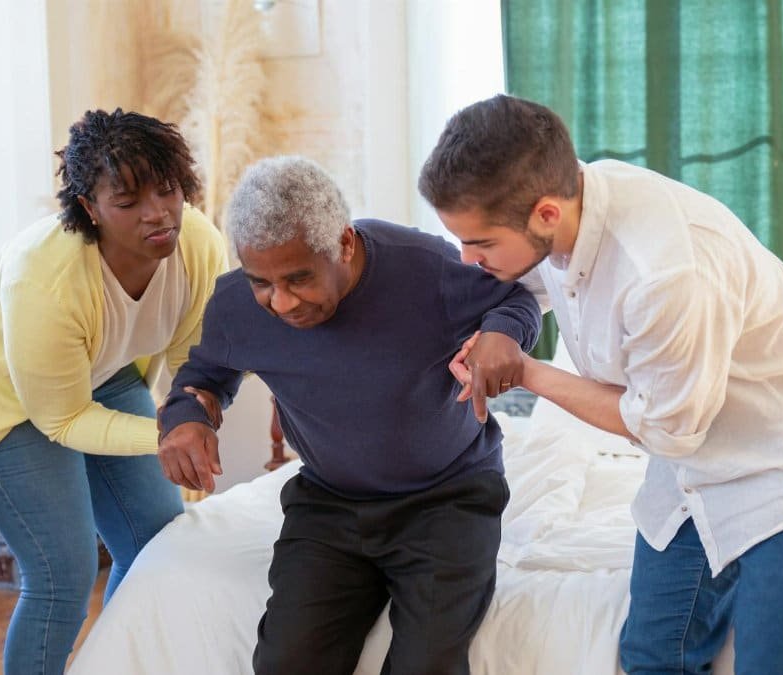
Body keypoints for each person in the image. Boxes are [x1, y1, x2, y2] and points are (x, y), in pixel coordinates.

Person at [418, 94, 783, 674]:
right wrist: (499, 333)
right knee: (654, 657)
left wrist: (528, 371)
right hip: (693, 459)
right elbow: (524, 287)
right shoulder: (569, 203)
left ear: (546, 214)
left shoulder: (663, 275)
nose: (467, 259)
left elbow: (664, 429)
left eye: (480, 244)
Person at [155, 155, 540, 674]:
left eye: (299, 278)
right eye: (261, 282)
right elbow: (203, 377)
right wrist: (186, 419)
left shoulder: (424, 267)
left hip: (447, 499)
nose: (281, 302)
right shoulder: (235, 305)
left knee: (426, 665)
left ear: (343, 242)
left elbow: (516, 301)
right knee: (287, 663)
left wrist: (502, 334)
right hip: (330, 505)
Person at [0, 109, 227, 674]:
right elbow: (62, 420)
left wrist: (193, 417)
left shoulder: (198, 245)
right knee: (61, 573)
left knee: (157, 543)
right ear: (89, 207)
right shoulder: (45, 278)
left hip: (100, 367)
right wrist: (167, 434)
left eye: (168, 189)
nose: (157, 213)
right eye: (128, 201)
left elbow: (196, 362)